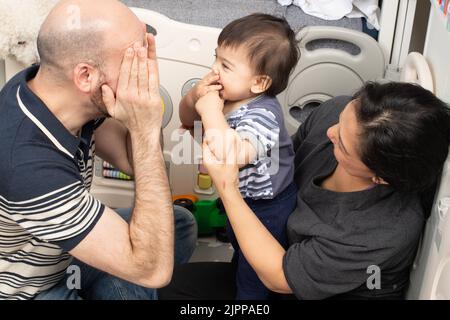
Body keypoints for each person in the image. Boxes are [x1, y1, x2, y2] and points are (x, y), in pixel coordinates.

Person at [159, 82, 450, 300]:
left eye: (343, 145)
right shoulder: (336, 114)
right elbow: (277, 165)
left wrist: (227, 187)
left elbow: (279, 277)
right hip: (281, 256)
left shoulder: (381, 232)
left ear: (380, 178)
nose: (330, 132)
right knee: (168, 288)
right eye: (342, 119)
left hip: (300, 285)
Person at [0, 0, 197, 300]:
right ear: (85, 77)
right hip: (29, 289)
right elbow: (154, 271)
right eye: (132, 59)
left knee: (179, 224)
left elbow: (133, 161)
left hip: (60, 255)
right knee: (150, 261)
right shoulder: (25, 164)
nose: (141, 71)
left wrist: (146, 107)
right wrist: (144, 128)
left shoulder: (52, 90)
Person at [178, 13, 299, 299]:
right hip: (240, 201)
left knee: (253, 280)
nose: (213, 70)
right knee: (241, 256)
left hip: (268, 209)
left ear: (259, 83)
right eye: (215, 58)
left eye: (226, 66)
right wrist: (196, 97)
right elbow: (186, 119)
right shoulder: (227, 97)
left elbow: (230, 154)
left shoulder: (264, 116)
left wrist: (209, 110)